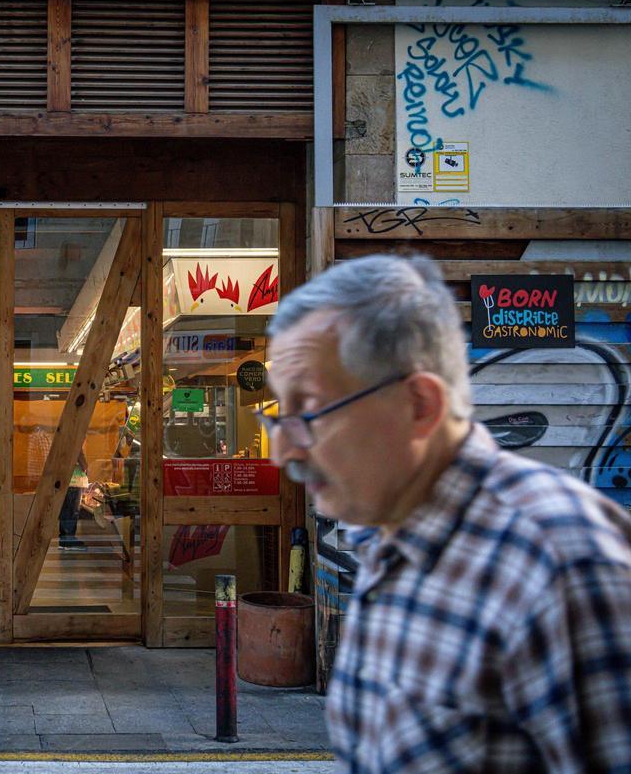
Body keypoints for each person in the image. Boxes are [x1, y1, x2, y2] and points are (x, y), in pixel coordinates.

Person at [261, 254, 631, 772]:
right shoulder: (388, 539)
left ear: (419, 406)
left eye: (312, 412)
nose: (286, 452)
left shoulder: (560, 564)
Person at [59, 450, 88, 551]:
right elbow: (83, 463)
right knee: (71, 511)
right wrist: (85, 466)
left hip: (66, 480)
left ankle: (64, 539)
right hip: (74, 481)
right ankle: (68, 541)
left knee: (66, 510)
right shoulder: (75, 440)